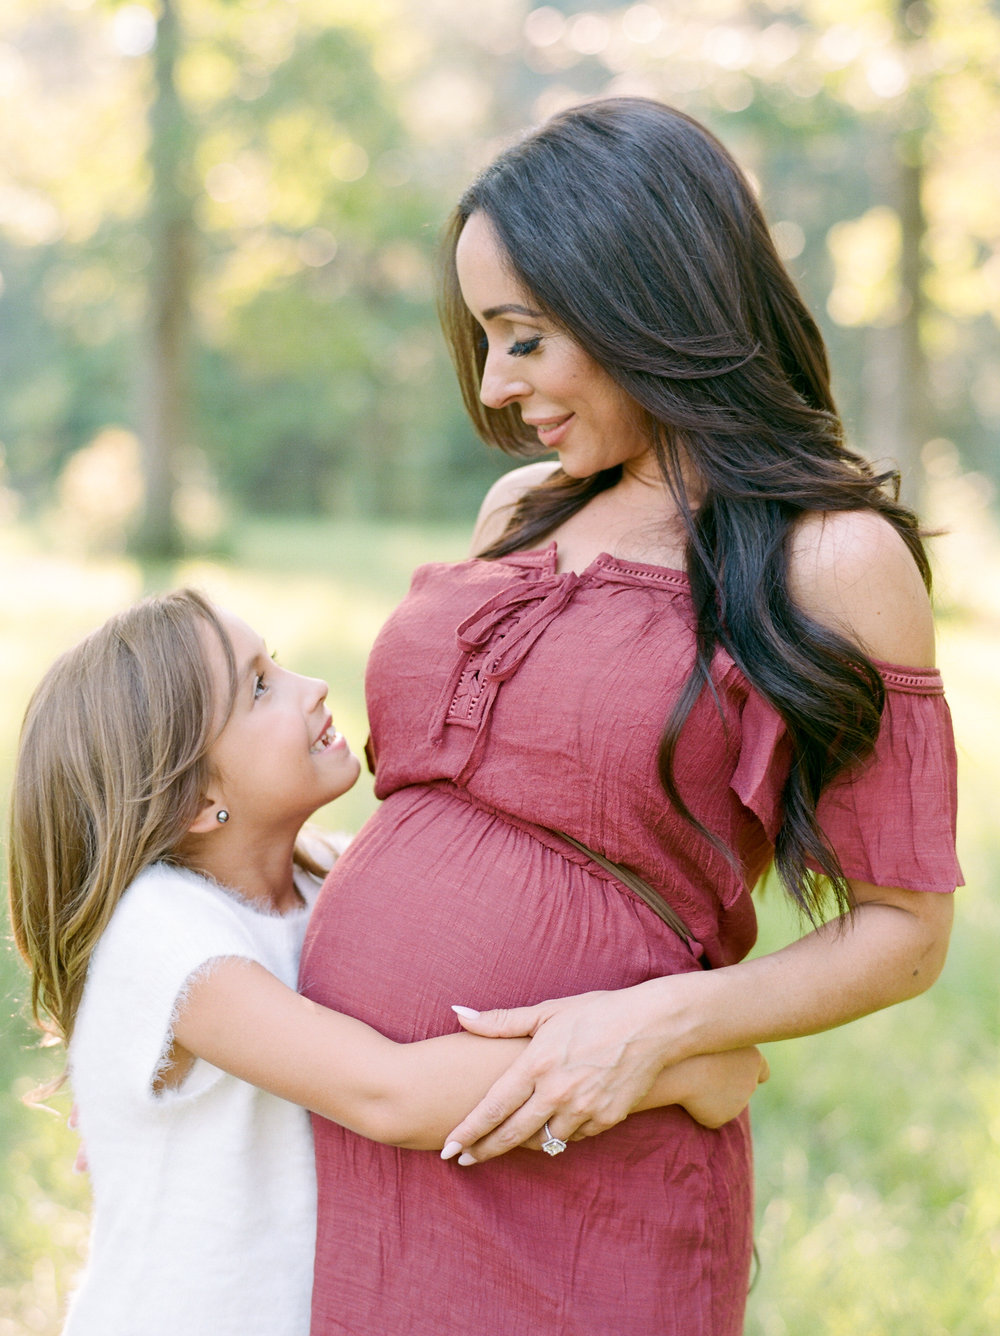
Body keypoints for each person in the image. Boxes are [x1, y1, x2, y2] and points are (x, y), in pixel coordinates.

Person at [298, 97, 961, 1335]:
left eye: (523, 338)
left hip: (583, 1172)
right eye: (486, 340)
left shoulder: (830, 560)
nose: (496, 388)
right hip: (367, 1159)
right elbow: (466, 811)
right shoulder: (519, 513)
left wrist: (659, 1024)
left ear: (641, 301)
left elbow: (904, 932)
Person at [7, 589, 766, 1336]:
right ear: (194, 801)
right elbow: (389, 1094)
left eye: (280, 662)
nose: (314, 689)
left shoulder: (317, 876)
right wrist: (671, 1061)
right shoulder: (163, 931)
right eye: (261, 689)